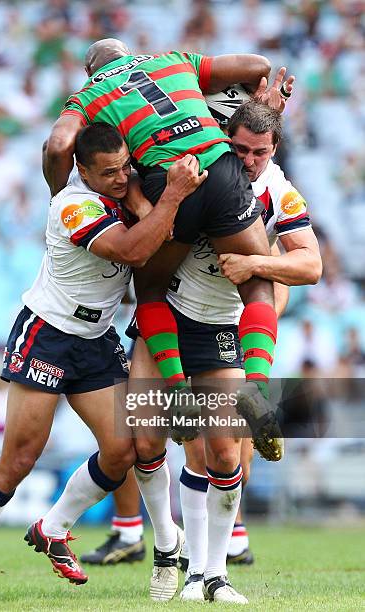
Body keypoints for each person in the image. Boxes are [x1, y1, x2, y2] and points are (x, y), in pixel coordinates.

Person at [0, 123, 205, 597]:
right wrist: (171, 199)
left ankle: (54, 526)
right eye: (108, 173)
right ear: (82, 170)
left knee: (124, 451)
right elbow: (134, 250)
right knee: (19, 458)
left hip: (96, 339)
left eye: (126, 167)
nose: (122, 178)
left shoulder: (125, 191)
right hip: (48, 334)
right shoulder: (72, 204)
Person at [82, 99, 322, 604]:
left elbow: (310, 267)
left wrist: (259, 264)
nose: (249, 160)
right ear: (221, 140)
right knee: (146, 443)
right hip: (167, 318)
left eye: (259, 152)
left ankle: (212, 575)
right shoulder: (193, 173)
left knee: (223, 452)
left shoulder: (278, 191)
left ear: (274, 150)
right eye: (238, 149)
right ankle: (172, 557)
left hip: (222, 329)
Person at [44, 38, 296, 463]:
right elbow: (258, 63)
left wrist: (56, 192)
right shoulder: (172, 60)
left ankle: (178, 393)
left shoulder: (88, 96)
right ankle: (256, 385)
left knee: (152, 292)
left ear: (91, 72)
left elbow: (57, 145)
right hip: (218, 166)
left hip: (169, 183)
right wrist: (258, 99)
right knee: (259, 283)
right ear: (130, 54)